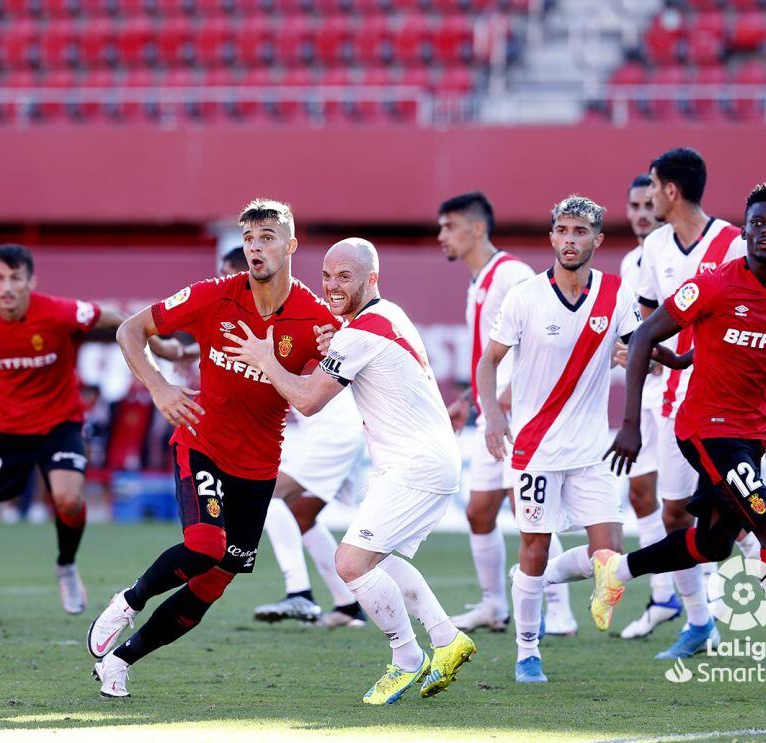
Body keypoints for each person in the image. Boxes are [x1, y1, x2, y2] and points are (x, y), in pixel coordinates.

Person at [596, 184, 766, 698]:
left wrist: (692, 358)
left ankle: (616, 569)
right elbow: (645, 334)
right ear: (744, 232)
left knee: (713, 543)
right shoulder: (712, 285)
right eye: (757, 223)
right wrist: (631, 425)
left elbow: (728, 347)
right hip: (706, 430)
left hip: (752, 435)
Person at [87, 199, 338, 699]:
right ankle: (129, 600)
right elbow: (129, 330)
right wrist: (159, 387)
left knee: (214, 582)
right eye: (248, 239)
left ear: (289, 246)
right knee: (205, 545)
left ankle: (121, 660)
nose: (255, 247)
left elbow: (311, 402)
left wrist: (306, 359)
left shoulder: (314, 320)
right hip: (201, 443)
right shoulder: (212, 296)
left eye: (266, 237)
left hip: (259, 465)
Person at [224, 237, 476, 705]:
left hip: (414, 464)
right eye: (326, 276)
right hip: (421, 460)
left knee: (350, 563)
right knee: (380, 560)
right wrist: (333, 342)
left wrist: (265, 359)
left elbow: (307, 400)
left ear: (371, 278)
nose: (332, 286)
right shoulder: (381, 318)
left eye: (345, 277)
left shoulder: (360, 332)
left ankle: (406, 659)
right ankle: (446, 639)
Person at [476, 195, 691, 684]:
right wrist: (492, 415)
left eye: (580, 232)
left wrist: (637, 358)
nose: (570, 240)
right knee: (535, 548)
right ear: (552, 237)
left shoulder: (617, 293)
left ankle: (529, 585)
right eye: (563, 231)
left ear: (597, 240)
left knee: (610, 558)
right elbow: (489, 362)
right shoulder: (525, 296)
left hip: (593, 450)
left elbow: (641, 352)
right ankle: (527, 652)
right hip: (535, 448)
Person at [0, 244, 124, 621]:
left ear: (31, 281)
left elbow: (112, 318)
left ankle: (67, 567)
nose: (7, 286)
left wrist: (158, 342)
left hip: (58, 423)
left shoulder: (60, 312)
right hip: (2, 428)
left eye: (15, 278)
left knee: (69, 500)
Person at [438, 191, 579, 636]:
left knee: (529, 512)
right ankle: (494, 605)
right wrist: (468, 398)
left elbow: (548, 334)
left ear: (476, 228)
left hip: (519, 416)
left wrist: (514, 393)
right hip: (490, 415)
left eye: (449, 226)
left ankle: (559, 611)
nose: (442, 235)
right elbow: (491, 352)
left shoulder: (512, 274)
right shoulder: (478, 281)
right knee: (479, 511)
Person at [634, 147, 752, 659]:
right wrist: (648, 353)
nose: (650, 196)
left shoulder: (732, 244)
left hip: (724, 406)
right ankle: (700, 623)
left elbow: (751, 317)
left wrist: (688, 356)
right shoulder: (656, 246)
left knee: (745, 514)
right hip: (673, 406)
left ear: (672, 191)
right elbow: (647, 315)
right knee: (674, 515)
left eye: (655, 187)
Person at [615, 175, 683, 639]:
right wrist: (629, 351)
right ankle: (664, 597)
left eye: (647, 202)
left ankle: (708, 605)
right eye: (634, 204)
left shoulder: (679, 250)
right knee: (641, 494)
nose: (641, 211)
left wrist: (660, 354)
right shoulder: (629, 260)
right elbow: (634, 328)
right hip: (648, 391)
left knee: (699, 506)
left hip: (684, 386)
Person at [253, 386, 370, 628]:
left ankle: (299, 594)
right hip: (337, 427)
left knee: (267, 495)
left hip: (332, 431)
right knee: (301, 517)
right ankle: (348, 607)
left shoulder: (284, 346)